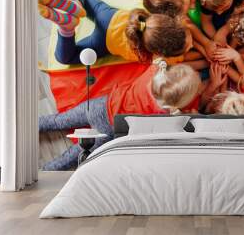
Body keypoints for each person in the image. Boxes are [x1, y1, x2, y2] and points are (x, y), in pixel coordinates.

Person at [40, 59, 228, 170]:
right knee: (73, 156)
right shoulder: (169, 114)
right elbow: (197, 110)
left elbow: (166, 63)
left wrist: (202, 62)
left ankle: (21, 124)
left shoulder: (154, 70)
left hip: (99, 106)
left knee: (58, 120)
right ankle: (47, 171)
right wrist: (212, 85)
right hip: (109, 129)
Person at [38, 0, 203, 65]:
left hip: (109, 16)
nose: (192, 45)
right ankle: (67, 29)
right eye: (189, 46)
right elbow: (187, 60)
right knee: (64, 58)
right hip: (104, 42)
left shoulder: (151, 20)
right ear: (161, 53)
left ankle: (75, 5)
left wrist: (205, 46)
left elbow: (186, 25)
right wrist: (206, 56)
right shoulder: (157, 58)